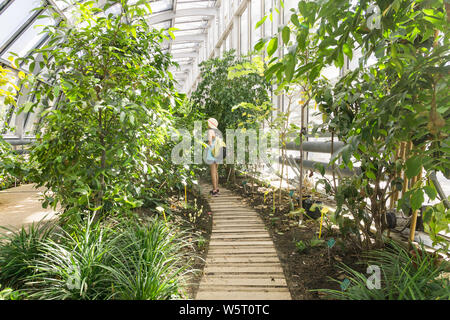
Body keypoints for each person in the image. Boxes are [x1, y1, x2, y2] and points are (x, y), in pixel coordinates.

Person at [206, 118, 220, 196]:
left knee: (213, 172)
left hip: (212, 153)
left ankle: (214, 190)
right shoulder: (218, 132)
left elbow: (210, 143)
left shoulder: (210, 131)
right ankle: (217, 188)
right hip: (219, 153)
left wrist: (206, 147)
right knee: (216, 171)